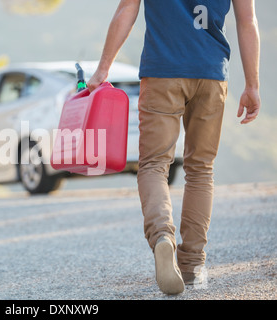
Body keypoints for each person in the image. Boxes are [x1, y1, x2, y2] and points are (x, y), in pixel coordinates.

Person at [87, 0, 261, 295]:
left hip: (162, 71)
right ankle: (192, 265)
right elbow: (248, 21)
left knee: (154, 164)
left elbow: (126, 9)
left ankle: (162, 237)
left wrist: (103, 69)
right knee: (200, 170)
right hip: (211, 73)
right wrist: (252, 84)